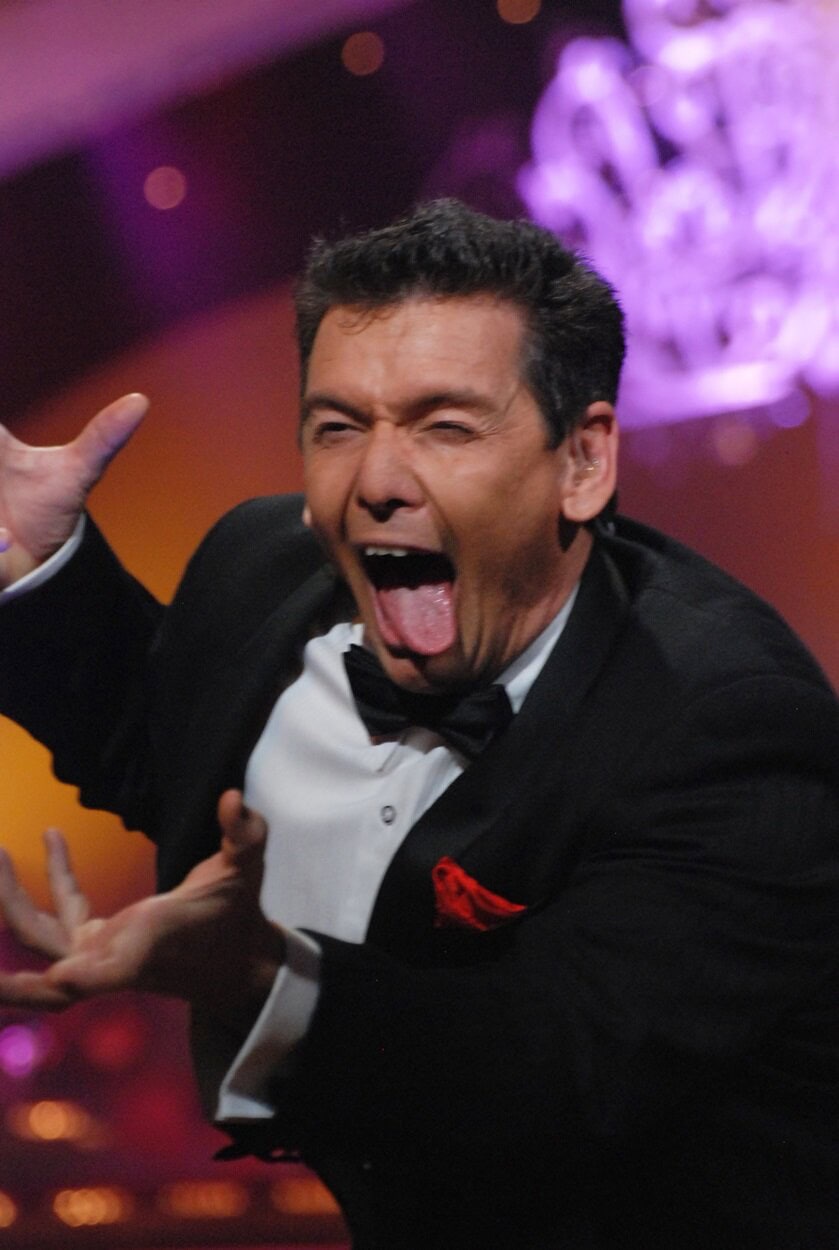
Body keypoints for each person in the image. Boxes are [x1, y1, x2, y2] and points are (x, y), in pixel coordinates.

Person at [0, 199, 837, 1250]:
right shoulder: (262, 567)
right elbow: (170, 748)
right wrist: (36, 574)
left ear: (581, 461)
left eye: (445, 426)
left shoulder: (724, 722)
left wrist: (261, 975)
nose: (377, 481)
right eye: (337, 427)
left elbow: (550, 1072)